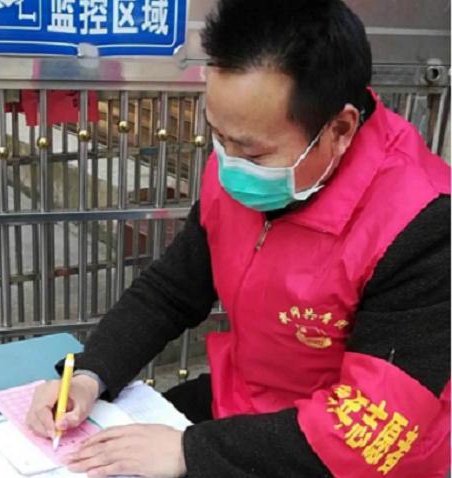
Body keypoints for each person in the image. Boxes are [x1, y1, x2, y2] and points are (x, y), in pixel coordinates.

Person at [26, 0, 451, 476]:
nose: (229, 163)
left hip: (356, 456)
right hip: (243, 405)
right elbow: (172, 290)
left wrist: (188, 452)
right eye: (218, 137)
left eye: (252, 151)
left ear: (339, 129)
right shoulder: (239, 171)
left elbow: (371, 424)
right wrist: (90, 375)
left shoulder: (422, 226)